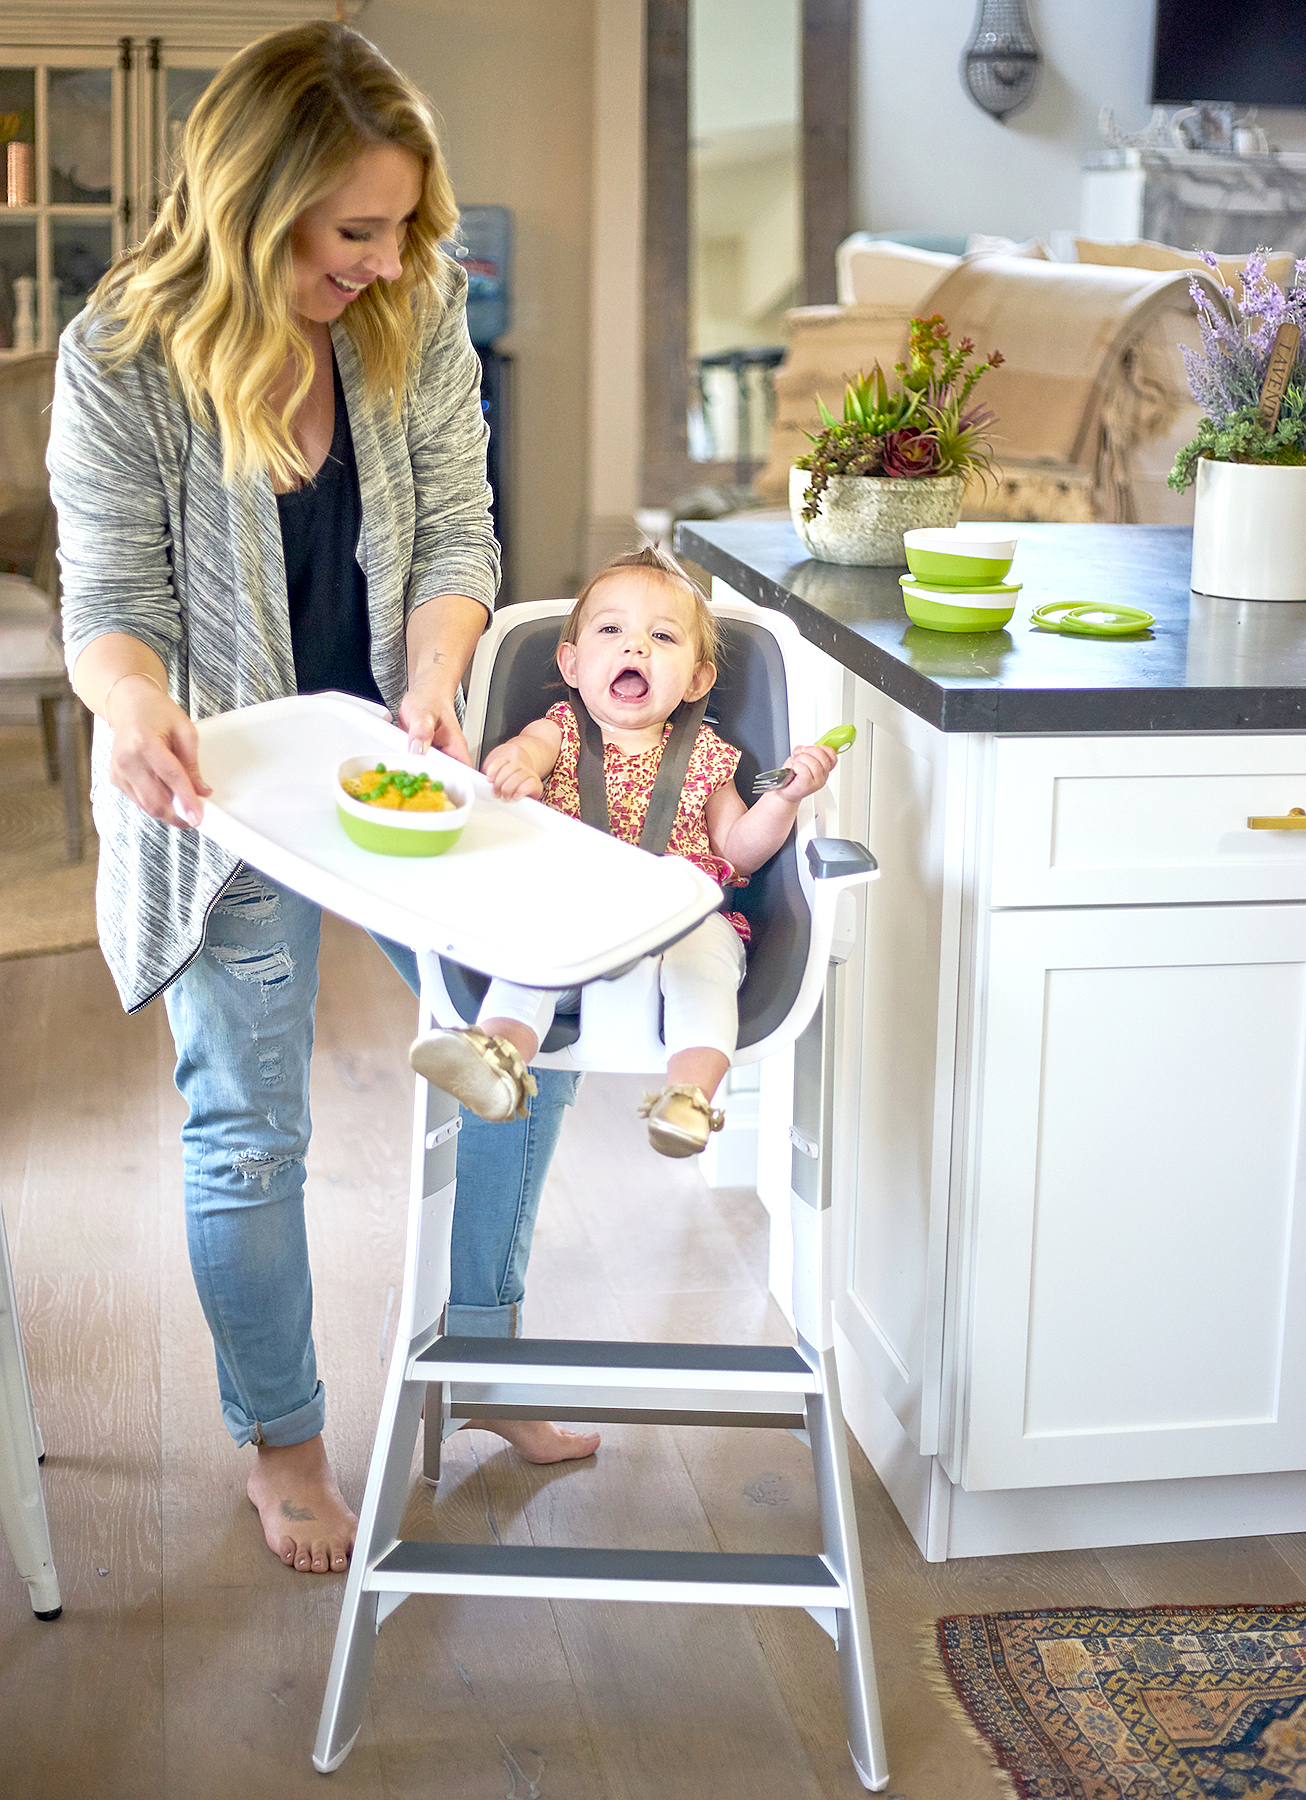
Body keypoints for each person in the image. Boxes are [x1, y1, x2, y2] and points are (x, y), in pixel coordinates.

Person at [47, 21, 595, 1583]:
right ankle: (281, 1442)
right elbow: (111, 598)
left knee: (520, 1033)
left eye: (402, 226)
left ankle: (475, 1361)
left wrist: (439, 669)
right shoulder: (121, 356)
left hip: (394, 764)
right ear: (254, 199)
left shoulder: (409, 315)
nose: (385, 258)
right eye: (355, 230)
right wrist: (134, 702)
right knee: (248, 1123)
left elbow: (455, 536)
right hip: (217, 791)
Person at [409, 547, 838, 1156]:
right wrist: (516, 771)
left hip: (680, 921)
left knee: (706, 969)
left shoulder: (709, 755)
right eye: (611, 630)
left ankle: (689, 1100)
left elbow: (739, 854)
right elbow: (523, 755)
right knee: (529, 955)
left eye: (662, 636)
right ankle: (498, 1055)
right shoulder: (555, 730)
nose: (634, 647)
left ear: (697, 680)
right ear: (574, 663)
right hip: (572, 921)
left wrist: (785, 800)